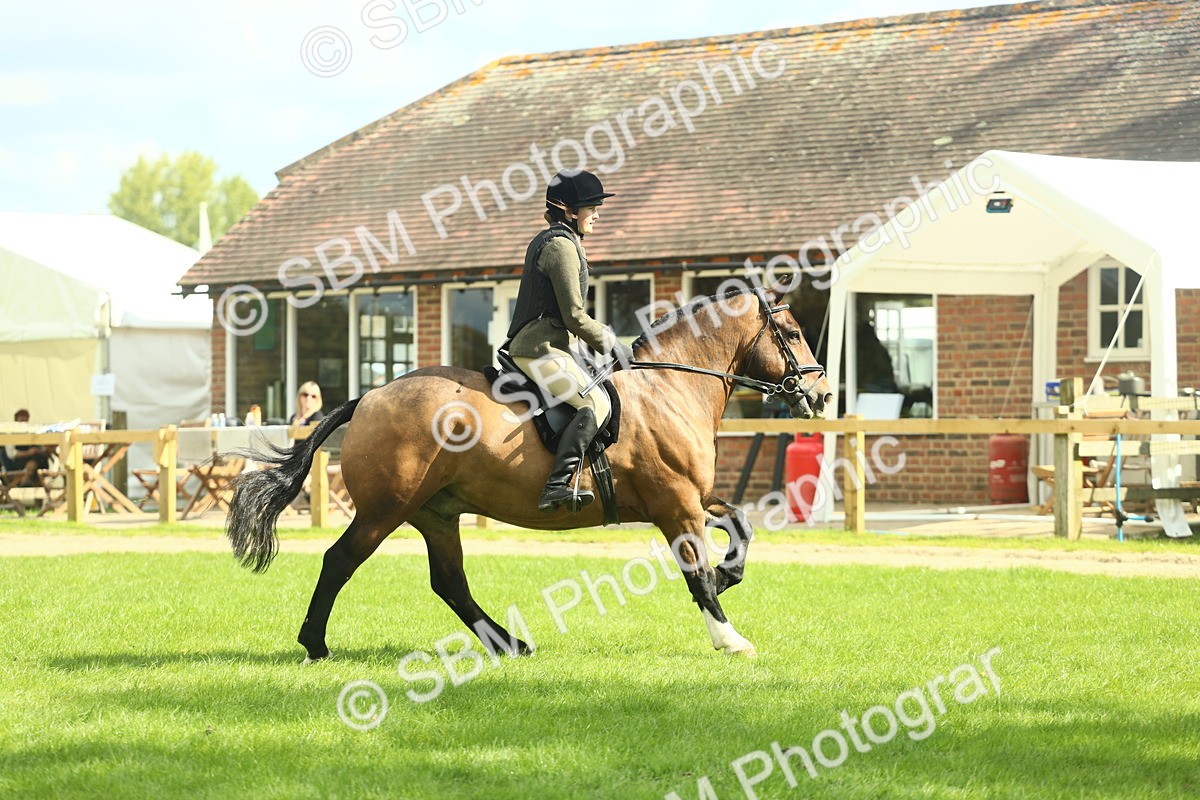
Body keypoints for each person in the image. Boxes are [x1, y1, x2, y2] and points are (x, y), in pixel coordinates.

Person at [507, 169, 634, 513]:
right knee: (595, 403)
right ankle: (556, 485)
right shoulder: (560, 247)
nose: (597, 214)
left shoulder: (564, 241)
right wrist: (611, 342)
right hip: (539, 349)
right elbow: (574, 316)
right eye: (591, 207)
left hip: (554, 346)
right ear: (568, 209)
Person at [4, 409, 50, 487]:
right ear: (16, 420)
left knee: (40, 458)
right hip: (18, 463)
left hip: (36, 460)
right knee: (34, 462)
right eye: (21, 420)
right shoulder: (11, 433)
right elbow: (11, 454)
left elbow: (41, 447)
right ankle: (28, 480)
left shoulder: (31, 432)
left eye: (26, 420)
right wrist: (29, 452)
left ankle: (29, 480)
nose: (24, 423)